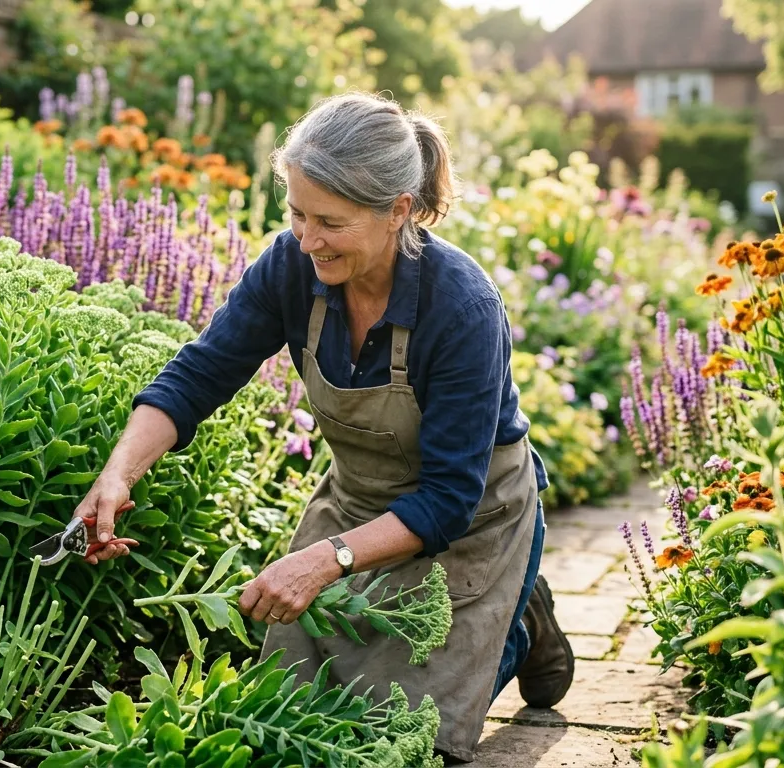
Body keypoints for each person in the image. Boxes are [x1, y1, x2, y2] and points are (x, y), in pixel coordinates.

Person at [71, 91, 574, 764]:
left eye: (329, 222)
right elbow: (198, 376)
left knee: (411, 740)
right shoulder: (291, 267)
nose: (306, 239)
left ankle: (520, 611)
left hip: (471, 517)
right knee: (288, 719)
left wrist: (322, 561)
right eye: (297, 213)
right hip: (360, 501)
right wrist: (116, 474)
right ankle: (517, 603)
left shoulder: (462, 306)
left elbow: (448, 499)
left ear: (397, 210)